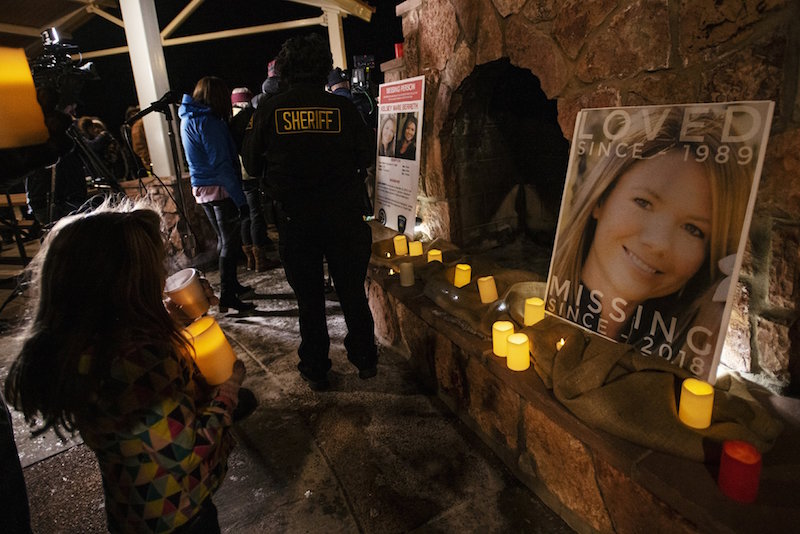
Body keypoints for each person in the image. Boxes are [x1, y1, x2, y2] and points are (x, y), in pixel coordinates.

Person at [3, 199, 246, 533]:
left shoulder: (84, 344)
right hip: (176, 515)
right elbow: (185, 455)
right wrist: (227, 394)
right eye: (153, 269)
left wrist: (172, 318)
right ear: (125, 282)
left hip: (128, 509)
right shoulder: (140, 362)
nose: (161, 277)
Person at [547, 107, 755, 372]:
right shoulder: (550, 321)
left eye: (692, 229)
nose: (659, 243)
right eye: (643, 202)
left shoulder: (680, 354)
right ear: (601, 199)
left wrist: (707, 335)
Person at [242, 33, 378, 390]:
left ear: (285, 68)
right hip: (344, 216)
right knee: (352, 291)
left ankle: (316, 367)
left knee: (310, 299)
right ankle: (365, 358)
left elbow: (251, 164)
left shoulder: (269, 110)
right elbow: (366, 155)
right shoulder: (343, 108)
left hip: (296, 219)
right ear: (324, 67)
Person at [179, 76, 255, 312]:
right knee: (229, 242)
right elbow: (221, 164)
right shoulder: (208, 122)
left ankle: (232, 285)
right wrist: (241, 200)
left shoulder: (188, 118)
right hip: (219, 190)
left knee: (225, 240)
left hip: (202, 189)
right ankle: (228, 295)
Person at [229, 86, 277, 272]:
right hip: (250, 174)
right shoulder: (250, 118)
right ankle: (260, 258)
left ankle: (249, 258)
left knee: (245, 216)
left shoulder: (229, 121)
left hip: (237, 175)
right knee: (256, 214)